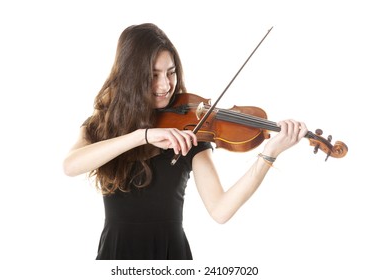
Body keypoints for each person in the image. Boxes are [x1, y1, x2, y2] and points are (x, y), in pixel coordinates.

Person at [63, 23, 308, 260]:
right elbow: (70, 166)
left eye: (171, 73)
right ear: (130, 77)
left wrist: (269, 154)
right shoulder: (103, 125)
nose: (165, 85)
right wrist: (142, 136)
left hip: (170, 256)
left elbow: (220, 210)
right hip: (115, 255)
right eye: (153, 75)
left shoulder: (190, 133)